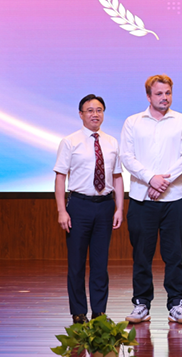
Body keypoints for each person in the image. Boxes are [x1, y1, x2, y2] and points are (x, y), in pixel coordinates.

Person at [121, 75, 182, 324]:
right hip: (142, 199)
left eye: (168, 93)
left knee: (174, 255)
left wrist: (163, 181)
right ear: (148, 96)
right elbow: (127, 157)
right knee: (142, 255)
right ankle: (141, 303)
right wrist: (150, 179)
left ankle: (176, 304)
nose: (164, 98)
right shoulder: (133, 122)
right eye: (159, 94)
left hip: (174, 199)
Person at [54, 94, 124, 324]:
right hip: (79, 206)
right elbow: (60, 177)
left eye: (99, 110)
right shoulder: (70, 141)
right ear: (81, 114)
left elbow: (117, 177)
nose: (95, 114)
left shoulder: (112, 142)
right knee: (76, 263)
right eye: (90, 110)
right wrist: (62, 210)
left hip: (105, 206)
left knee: (100, 263)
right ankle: (78, 312)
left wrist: (119, 208)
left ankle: (99, 312)